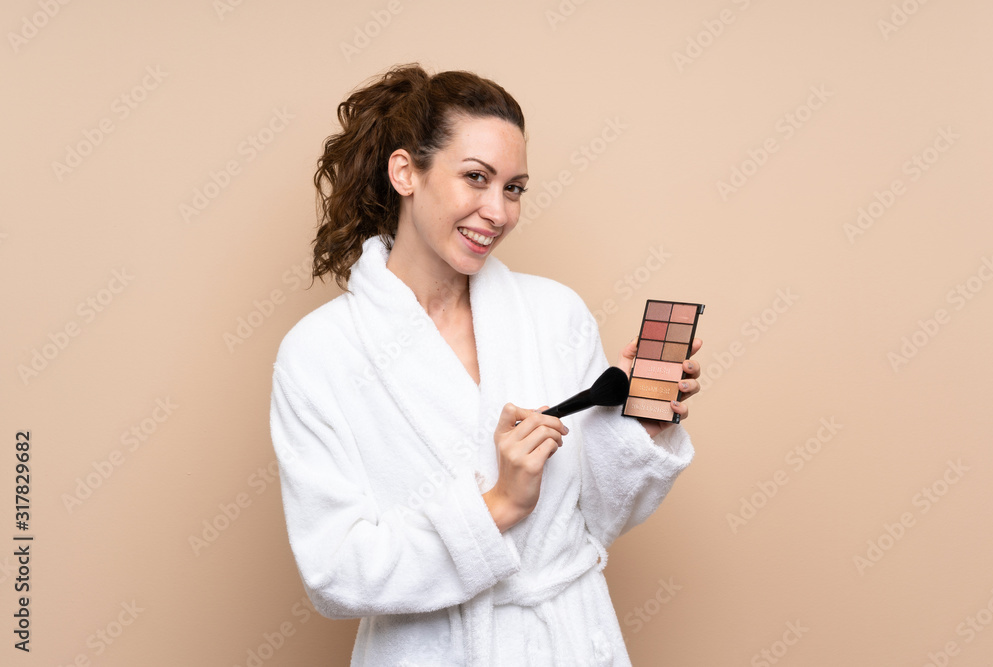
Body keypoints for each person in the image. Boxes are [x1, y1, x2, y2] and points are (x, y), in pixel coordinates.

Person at [269, 63, 701, 666]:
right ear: (405, 172)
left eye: (515, 188)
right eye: (476, 178)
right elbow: (336, 573)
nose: (497, 211)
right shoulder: (321, 354)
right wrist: (499, 505)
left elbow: (599, 517)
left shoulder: (554, 314)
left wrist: (645, 425)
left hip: (570, 643)